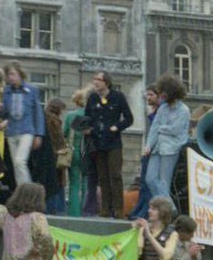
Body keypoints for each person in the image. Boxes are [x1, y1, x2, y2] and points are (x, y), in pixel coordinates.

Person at [84, 70, 134, 218]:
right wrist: (86, 128)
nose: (95, 82)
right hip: (98, 142)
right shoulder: (93, 98)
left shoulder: (117, 97)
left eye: (98, 79)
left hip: (113, 143)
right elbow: (87, 117)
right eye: (94, 79)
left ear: (106, 82)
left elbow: (129, 118)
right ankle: (105, 209)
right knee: (103, 177)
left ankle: (118, 210)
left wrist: (117, 127)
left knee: (115, 175)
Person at [142, 74, 190, 203]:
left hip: (171, 149)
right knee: (150, 179)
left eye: (164, 93)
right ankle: (170, 207)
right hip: (157, 147)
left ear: (171, 93)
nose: (161, 95)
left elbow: (175, 130)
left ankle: (165, 209)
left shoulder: (183, 110)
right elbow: (154, 128)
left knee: (164, 182)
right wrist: (148, 145)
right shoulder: (162, 108)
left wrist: (160, 129)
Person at [3, 61, 44, 190]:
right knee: (16, 165)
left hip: (27, 130)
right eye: (9, 75)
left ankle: (27, 191)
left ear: (20, 74)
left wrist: (39, 134)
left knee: (20, 161)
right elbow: (6, 113)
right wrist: (1, 110)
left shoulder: (31, 90)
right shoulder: (6, 91)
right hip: (11, 131)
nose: (11, 77)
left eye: (13, 74)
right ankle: (21, 190)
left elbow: (38, 113)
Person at [129, 85, 161, 221]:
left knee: (148, 183)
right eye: (147, 95)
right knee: (143, 183)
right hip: (149, 150)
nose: (148, 98)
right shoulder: (153, 111)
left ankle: (144, 211)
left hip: (156, 151)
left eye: (151, 95)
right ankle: (140, 209)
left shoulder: (160, 112)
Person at [34, 98, 68, 215]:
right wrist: (62, 150)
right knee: (58, 183)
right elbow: (58, 140)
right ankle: (57, 210)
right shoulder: (54, 121)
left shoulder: (42, 118)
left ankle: (48, 208)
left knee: (47, 182)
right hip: (56, 155)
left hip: (45, 155)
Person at [62, 89, 91, 217]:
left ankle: (74, 213)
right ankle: (86, 212)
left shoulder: (70, 115)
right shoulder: (91, 114)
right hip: (88, 152)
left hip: (74, 151)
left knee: (74, 183)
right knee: (86, 183)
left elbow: (64, 134)